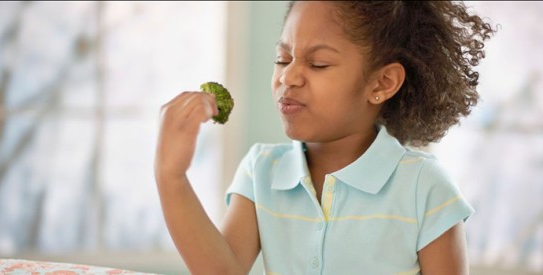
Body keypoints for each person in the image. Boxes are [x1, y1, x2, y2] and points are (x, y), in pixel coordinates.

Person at [154, 1, 496, 274]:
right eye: (282, 58)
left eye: (318, 64)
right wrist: (171, 177)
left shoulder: (426, 188)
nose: (289, 76)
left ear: (381, 84)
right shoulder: (261, 172)